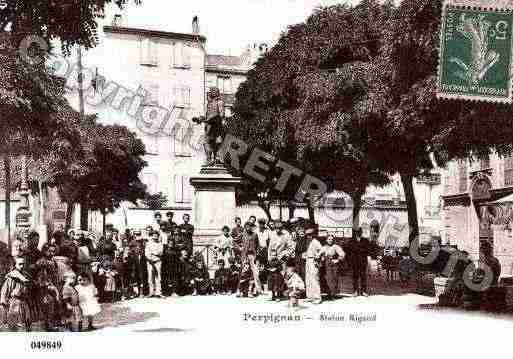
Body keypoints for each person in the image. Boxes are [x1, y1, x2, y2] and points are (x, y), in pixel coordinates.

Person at [1, 257, 36, 331]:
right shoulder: (12, 277)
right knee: (16, 325)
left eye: (23, 264)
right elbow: (5, 290)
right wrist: (3, 301)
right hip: (15, 303)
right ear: (15, 265)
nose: (22, 266)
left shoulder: (26, 276)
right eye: (20, 264)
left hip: (25, 302)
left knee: (27, 323)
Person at [34, 244, 61, 331]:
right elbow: (42, 276)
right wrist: (48, 284)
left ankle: (54, 322)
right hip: (45, 287)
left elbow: (56, 273)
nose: (52, 253)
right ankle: (48, 325)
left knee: (55, 304)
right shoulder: (43, 261)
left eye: (53, 251)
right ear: (45, 251)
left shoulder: (53, 261)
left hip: (54, 284)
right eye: (50, 251)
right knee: (48, 304)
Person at [348, 227, 372, 297]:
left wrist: (368, 259)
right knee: (355, 277)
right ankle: (355, 291)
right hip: (354, 262)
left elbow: (368, 251)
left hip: (363, 262)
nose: (359, 233)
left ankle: (363, 291)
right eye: (357, 232)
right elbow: (349, 252)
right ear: (355, 233)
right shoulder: (351, 241)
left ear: (361, 233)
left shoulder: (365, 241)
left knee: (363, 276)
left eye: (360, 232)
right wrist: (350, 261)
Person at [241, 222, 261, 296]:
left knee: (254, 273)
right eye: (246, 226)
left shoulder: (255, 235)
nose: (248, 228)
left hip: (253, 256)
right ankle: (243, 291)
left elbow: (258, 246)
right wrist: (241, 251)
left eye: (249, 226)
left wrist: (257, 255)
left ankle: (251, 290)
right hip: (245, 256)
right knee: (245, 273)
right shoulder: (243, 235)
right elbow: (236, 243)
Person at [305, 227, 323, 304]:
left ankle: (317, 297)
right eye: (307, 235)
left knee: (314, 279)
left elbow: (322, 250)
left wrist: (318, 256)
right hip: (308, 260)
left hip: (313, 261)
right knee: (308, 279)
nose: (308, 236)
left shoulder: (316, 242)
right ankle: (310, 296)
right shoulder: (307, 242)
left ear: (313, 235)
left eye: (310, 235)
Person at [323, 234, 345, 299]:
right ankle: (329, 293)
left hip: (333, 264)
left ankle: (333, 294)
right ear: (326, 240)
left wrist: (337, 260)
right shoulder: (324, 247)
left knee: (334, 278)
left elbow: (342, 254)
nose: (330, 241)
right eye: (329, 239)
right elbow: (320, 254)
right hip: (326, 264)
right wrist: (322, 257)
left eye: (332, 239)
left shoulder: (336, 246)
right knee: (328, 279)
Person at [145, 231, 164, 298]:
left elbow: (160, 253)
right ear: (152, 236)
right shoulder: (148, 244)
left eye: (156, 235)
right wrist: (151, 258)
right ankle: (151, 292)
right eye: (154, 235)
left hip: (158, 261)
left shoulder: (160, 244)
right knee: (150, 277)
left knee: (158, 277)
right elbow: (147, 253)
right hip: (150, 262)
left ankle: (158, 292)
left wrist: (153, 252)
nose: (155, 236)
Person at [256, 219, 270, 291]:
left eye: (263, 224)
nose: (261, 225)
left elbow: (269, 241)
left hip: (265, 251)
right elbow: (255, 241)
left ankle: (265, 286)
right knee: (258, 269)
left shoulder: (267, 231)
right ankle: (258, 287)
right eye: (260, 224)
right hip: (258, 251)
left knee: (265, 268)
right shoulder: (256, 231)